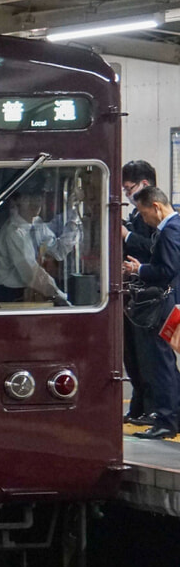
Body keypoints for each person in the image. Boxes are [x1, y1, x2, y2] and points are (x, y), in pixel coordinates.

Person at [123, 184, 180, 439]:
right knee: (167, 361)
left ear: (156, 207)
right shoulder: (174, 227)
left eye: (144, 213)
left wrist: (139, 270)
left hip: (167, 305)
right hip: (173, 302)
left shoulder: (170, 232)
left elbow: (166, 270)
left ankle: (167, 420)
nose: (143, 219)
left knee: (162, 362)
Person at [0, 184, 81, 305]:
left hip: (29, 291)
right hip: (9, 295)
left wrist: (73, 215)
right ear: (16, 202)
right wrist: (58, 296)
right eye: (27, 198)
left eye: (38, 198)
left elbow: (58, 251)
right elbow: (31, 273)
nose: (34, 203)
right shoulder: (14, 232)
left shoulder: (37, 223)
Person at [121, 160, 158, 423]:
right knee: (133, 356)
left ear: (144, 184)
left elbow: (152, 250)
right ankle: (139, 407)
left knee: (151, 358)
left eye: (128, 188)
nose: (126, 195)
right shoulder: (136, 215)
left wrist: (126, 236)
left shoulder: (157, 215)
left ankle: (159, 410)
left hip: (153, 295)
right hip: (137, 293)